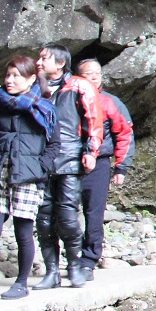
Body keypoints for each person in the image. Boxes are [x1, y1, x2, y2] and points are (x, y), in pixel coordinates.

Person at [0, 56, 53, 300]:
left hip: (28, 178)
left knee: (23, 232)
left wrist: (40, 169)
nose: (10, 80)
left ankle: (21, 283)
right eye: (8, 75)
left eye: (16, 75)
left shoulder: (43, 108)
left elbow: (54, 146)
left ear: (30, 79)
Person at [34, 44, 102, 289]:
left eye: (44, 58)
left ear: (60, 63)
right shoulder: (34, 86)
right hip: (40, 160)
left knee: (67, 216)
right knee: (43, 219)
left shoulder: (79, 85)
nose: (39, 62)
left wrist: (91, 152)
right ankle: (51, 272)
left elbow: (94, 120)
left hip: (69, 156)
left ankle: (74, 266)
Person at [73, 60, 133, 285]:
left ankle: (89, 260)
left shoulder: (109, 102)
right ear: (78, 77)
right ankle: (73, 254)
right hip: (70, 163)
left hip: (99, 163)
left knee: (93, 213)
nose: (94, 77)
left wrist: (121, 166)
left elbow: (124, 133)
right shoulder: (69, 100)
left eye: (97, 73)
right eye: (89, 74)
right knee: (65, 212)